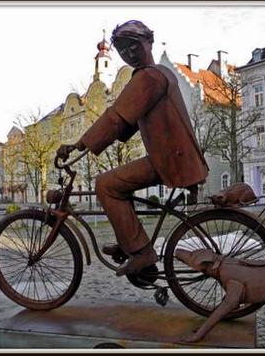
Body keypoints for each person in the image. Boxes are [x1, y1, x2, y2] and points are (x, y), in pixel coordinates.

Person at [57, 20, 208, 276]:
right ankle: (130, 240)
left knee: (106, 184)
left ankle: (141, 251)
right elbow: (127, 123)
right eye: (123, 50)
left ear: (148, 42)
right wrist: (106, 136)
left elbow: (116, 117)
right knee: (118, 184)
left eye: (133, 46)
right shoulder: (159, 73)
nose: (129, 53)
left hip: (170, 159)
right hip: (176, 156)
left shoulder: (149, 77)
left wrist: (78, 144)